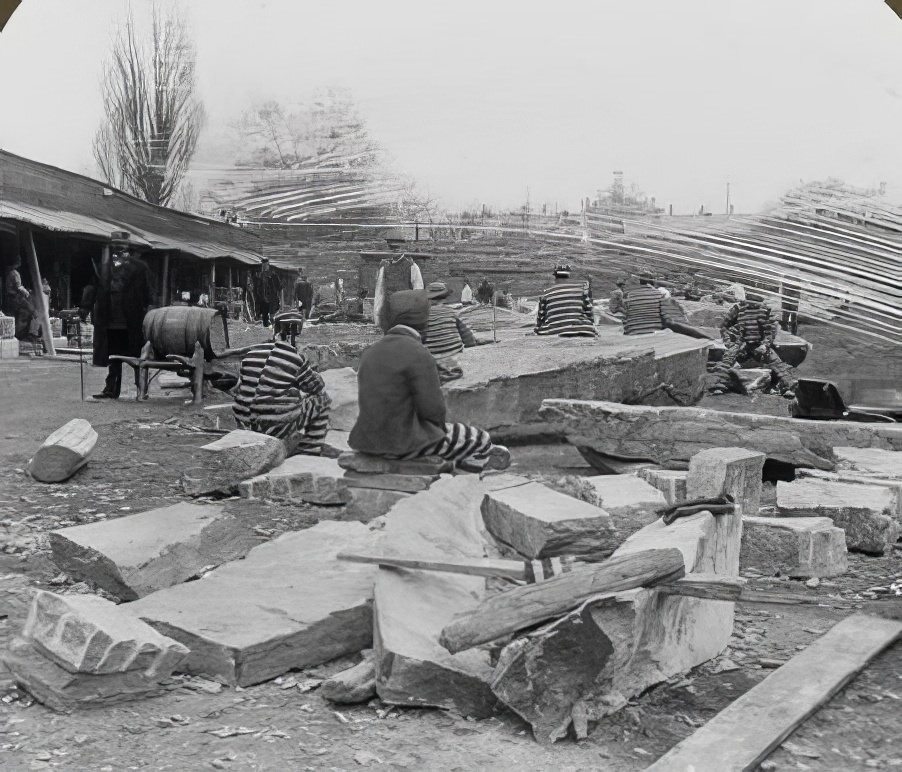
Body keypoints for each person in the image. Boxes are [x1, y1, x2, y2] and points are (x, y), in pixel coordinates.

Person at [349, 289, 510, 473]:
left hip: (366, 440)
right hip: (401, 443)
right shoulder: (418, 353)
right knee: (479, 438)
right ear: (422, 320)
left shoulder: (371, 352)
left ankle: (451, 466)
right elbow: (433, 410)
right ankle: (466, 484)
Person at [232, 339, 331, 456]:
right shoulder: (293, 357)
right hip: (270, 424)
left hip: (243, 419)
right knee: (323, 401)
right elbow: (316, 388)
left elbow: (239, 388)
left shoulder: (249, 356)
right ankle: (310, 451)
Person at [92, 232, 153, 400]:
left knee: (137, 357)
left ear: (128, 249)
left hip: (132, 320)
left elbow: (148, 294)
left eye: (121, 248)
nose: (118, 252)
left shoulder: (140, 268)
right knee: (113, 357)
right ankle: (111, 389)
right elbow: (97, 291)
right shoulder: (104, 268)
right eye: (115, 248)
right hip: (111, 320)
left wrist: (147, 313)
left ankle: (141, 389)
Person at [709, 291, 796, 397]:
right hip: (741, 345)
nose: (752, 298)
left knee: (776, 362)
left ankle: (788, 387)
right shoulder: (738, 308)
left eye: (755, 296)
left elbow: (770, 330)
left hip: (759, 346)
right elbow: (723, 326)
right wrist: (729, 343)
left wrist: (765, 345)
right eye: (750, 295)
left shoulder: (764, 310)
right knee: (728, 358)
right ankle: (718, 385)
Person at [424, 281, 479, 382]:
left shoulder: (423, 315)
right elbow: (465, 333)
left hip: (431, 354)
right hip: (453, 352)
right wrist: (471, 344)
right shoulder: (450, 312)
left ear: (428, 299)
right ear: (445, 298)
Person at [534, 264, 597, 337]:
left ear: (555, 276)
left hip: (554, 331)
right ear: (568, 276)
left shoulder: (546, 293)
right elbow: (589, 313)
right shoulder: (580, 290)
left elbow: (541, 318)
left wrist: (537, 329)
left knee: (543, 328)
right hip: (581, 329)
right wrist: (591, 326)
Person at [3, 257, 38, 340]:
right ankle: (32, 332)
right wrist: (27, 292)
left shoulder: (8, 273)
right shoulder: (14, 273)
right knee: (32, 310)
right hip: (15, 298)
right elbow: (18, 287)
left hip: (10, 298)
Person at [255, 257, 281, 327]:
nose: (264, 267)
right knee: (264, 315)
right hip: (263, 298)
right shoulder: (260, 275)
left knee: (272, 315)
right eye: (263, 265)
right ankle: (266, 328)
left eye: (266, 265)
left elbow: (279, 287)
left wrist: (277, 295)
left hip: (272, 298)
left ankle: (274, 327)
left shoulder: (273, 275)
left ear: (268, 265)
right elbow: (257, 287)